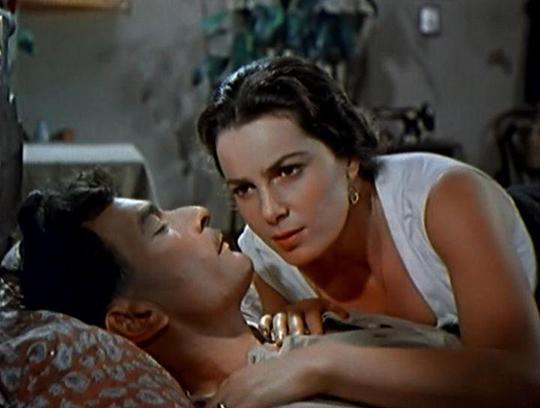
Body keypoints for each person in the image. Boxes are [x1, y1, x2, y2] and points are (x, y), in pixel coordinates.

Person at [197, 55, 540, 406]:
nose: (270, 211)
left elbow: (521, 380)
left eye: (288, 171)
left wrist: (321, 362)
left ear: (348, 158)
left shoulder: (445, 198)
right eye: (245, 189)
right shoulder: (265, 257)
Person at [16, 170, 460, 408]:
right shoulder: (268, 396)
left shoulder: (287, 324)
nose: (198, 212)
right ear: (137, 318)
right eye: (159, 228)